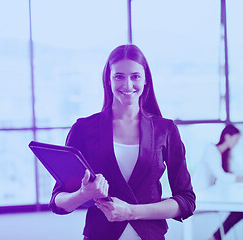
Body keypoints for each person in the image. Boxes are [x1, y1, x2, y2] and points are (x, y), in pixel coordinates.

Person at [48, 44, 196, 240]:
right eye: (119, 76)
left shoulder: (166, 130)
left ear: (145, 81)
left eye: (135, 76)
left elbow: (186, 201)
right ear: (108, 80)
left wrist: (131, 211)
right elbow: (58, 202)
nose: (127, 85)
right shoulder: (84, 129)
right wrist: (83, 194)